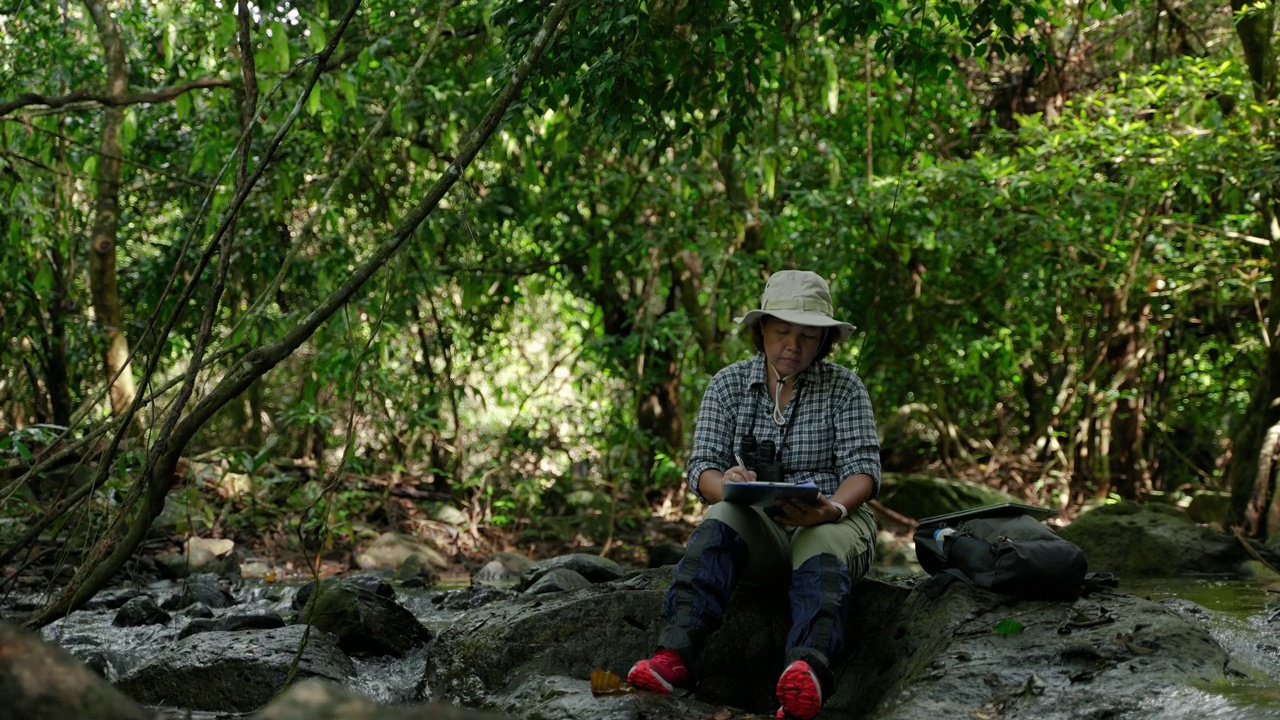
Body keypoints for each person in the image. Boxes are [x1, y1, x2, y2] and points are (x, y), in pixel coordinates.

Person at [627, 270, 880, 720]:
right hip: (761, 528)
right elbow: (700, 467)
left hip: (832, 521)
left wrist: (833, 508)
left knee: (820, 542)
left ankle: (807, 673)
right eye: (782, 331)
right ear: (760, 328)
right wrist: (729, 484)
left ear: (824, 341)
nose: (793, 346)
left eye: (808, 336)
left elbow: (864, 470)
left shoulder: (844, 388)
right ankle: (674, 657)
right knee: (721, 513)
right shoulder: (727, 385)